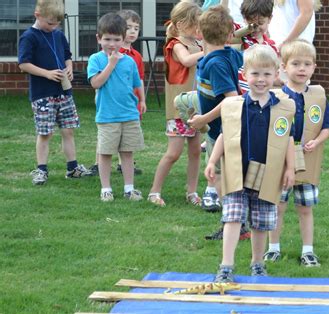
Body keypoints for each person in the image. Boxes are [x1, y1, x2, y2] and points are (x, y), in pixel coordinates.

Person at [205, 44, 295, 282]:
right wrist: (212, 161)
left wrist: (291, 169)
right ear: (244, 74)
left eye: (267, 74)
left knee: (260, 223)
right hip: (237, 173)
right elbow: (225, 135)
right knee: (232, 217)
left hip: (268, 174)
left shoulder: (283, 108)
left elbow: (288, 140)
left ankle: (257, 263)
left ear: (276, 74)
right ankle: (226, 266)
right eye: (255, 73)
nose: (261, 79)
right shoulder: (235, 106)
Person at [263, 39, 329, 267]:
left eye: (307, 64)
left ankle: (308, 251)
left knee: (305, 208)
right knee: (278, 206)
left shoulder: (318, 97)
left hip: (308, 160)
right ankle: (273, 248)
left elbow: (327, 127)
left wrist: (317, 141)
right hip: (281, 162)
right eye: (296, 63)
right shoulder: (276, 98)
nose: (302, 68)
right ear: (284, 67)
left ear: (314, 67)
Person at [18, 0, 91, 185]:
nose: (54, 27)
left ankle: (72, 168)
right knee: (45, 133)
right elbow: (23, 64)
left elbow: (67, 56)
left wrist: (69, 68)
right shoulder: (29, 37)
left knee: (68, 130)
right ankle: (41, 170)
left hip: (63, 93)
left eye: (57, 23)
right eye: (50, 23)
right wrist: (47, 74)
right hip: (43, 94)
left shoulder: (58, 35)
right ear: (37, 15)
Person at [147, 1, 204, 207]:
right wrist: (209, 51)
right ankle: (154, 192)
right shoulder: (175, 44)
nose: (199, 29)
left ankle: (192, 191)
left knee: (196, 151)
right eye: (195, 24)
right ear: (180, 24)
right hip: (179, 110)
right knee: (174, 153)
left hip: (197, 108)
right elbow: (187, 61)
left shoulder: (198, 44)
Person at [187, 5, 243, 212]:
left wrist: (203, 120)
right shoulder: (229, 54)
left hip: (220, 128)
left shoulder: (216, 64)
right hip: (216, 123)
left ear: (198, 33)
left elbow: (232, 99)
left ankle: (230, 214)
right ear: (229, 36)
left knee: (218, 171)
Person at [87, 12, 146, 202]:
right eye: (107, 39)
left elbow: (137, 83)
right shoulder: (96, 60)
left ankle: (129, 189)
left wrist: (142, 101)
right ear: (99, 39)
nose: (112, 44)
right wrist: (111, 64)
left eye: (116, 39)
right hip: (107, 116)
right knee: (105, 154)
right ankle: (106, 188)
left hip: (129, 113)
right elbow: (96, 83)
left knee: (127, 152)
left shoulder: (129, 61)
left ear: (123, 40)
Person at [234, 0, 277, 93]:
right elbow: (224, 25)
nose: (256, 28)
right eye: (251, 25)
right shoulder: (241, 36)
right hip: (239, 95)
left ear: (270, 18)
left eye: (260, 23)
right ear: (244, 19)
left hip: (261, 96)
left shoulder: (271, 46)